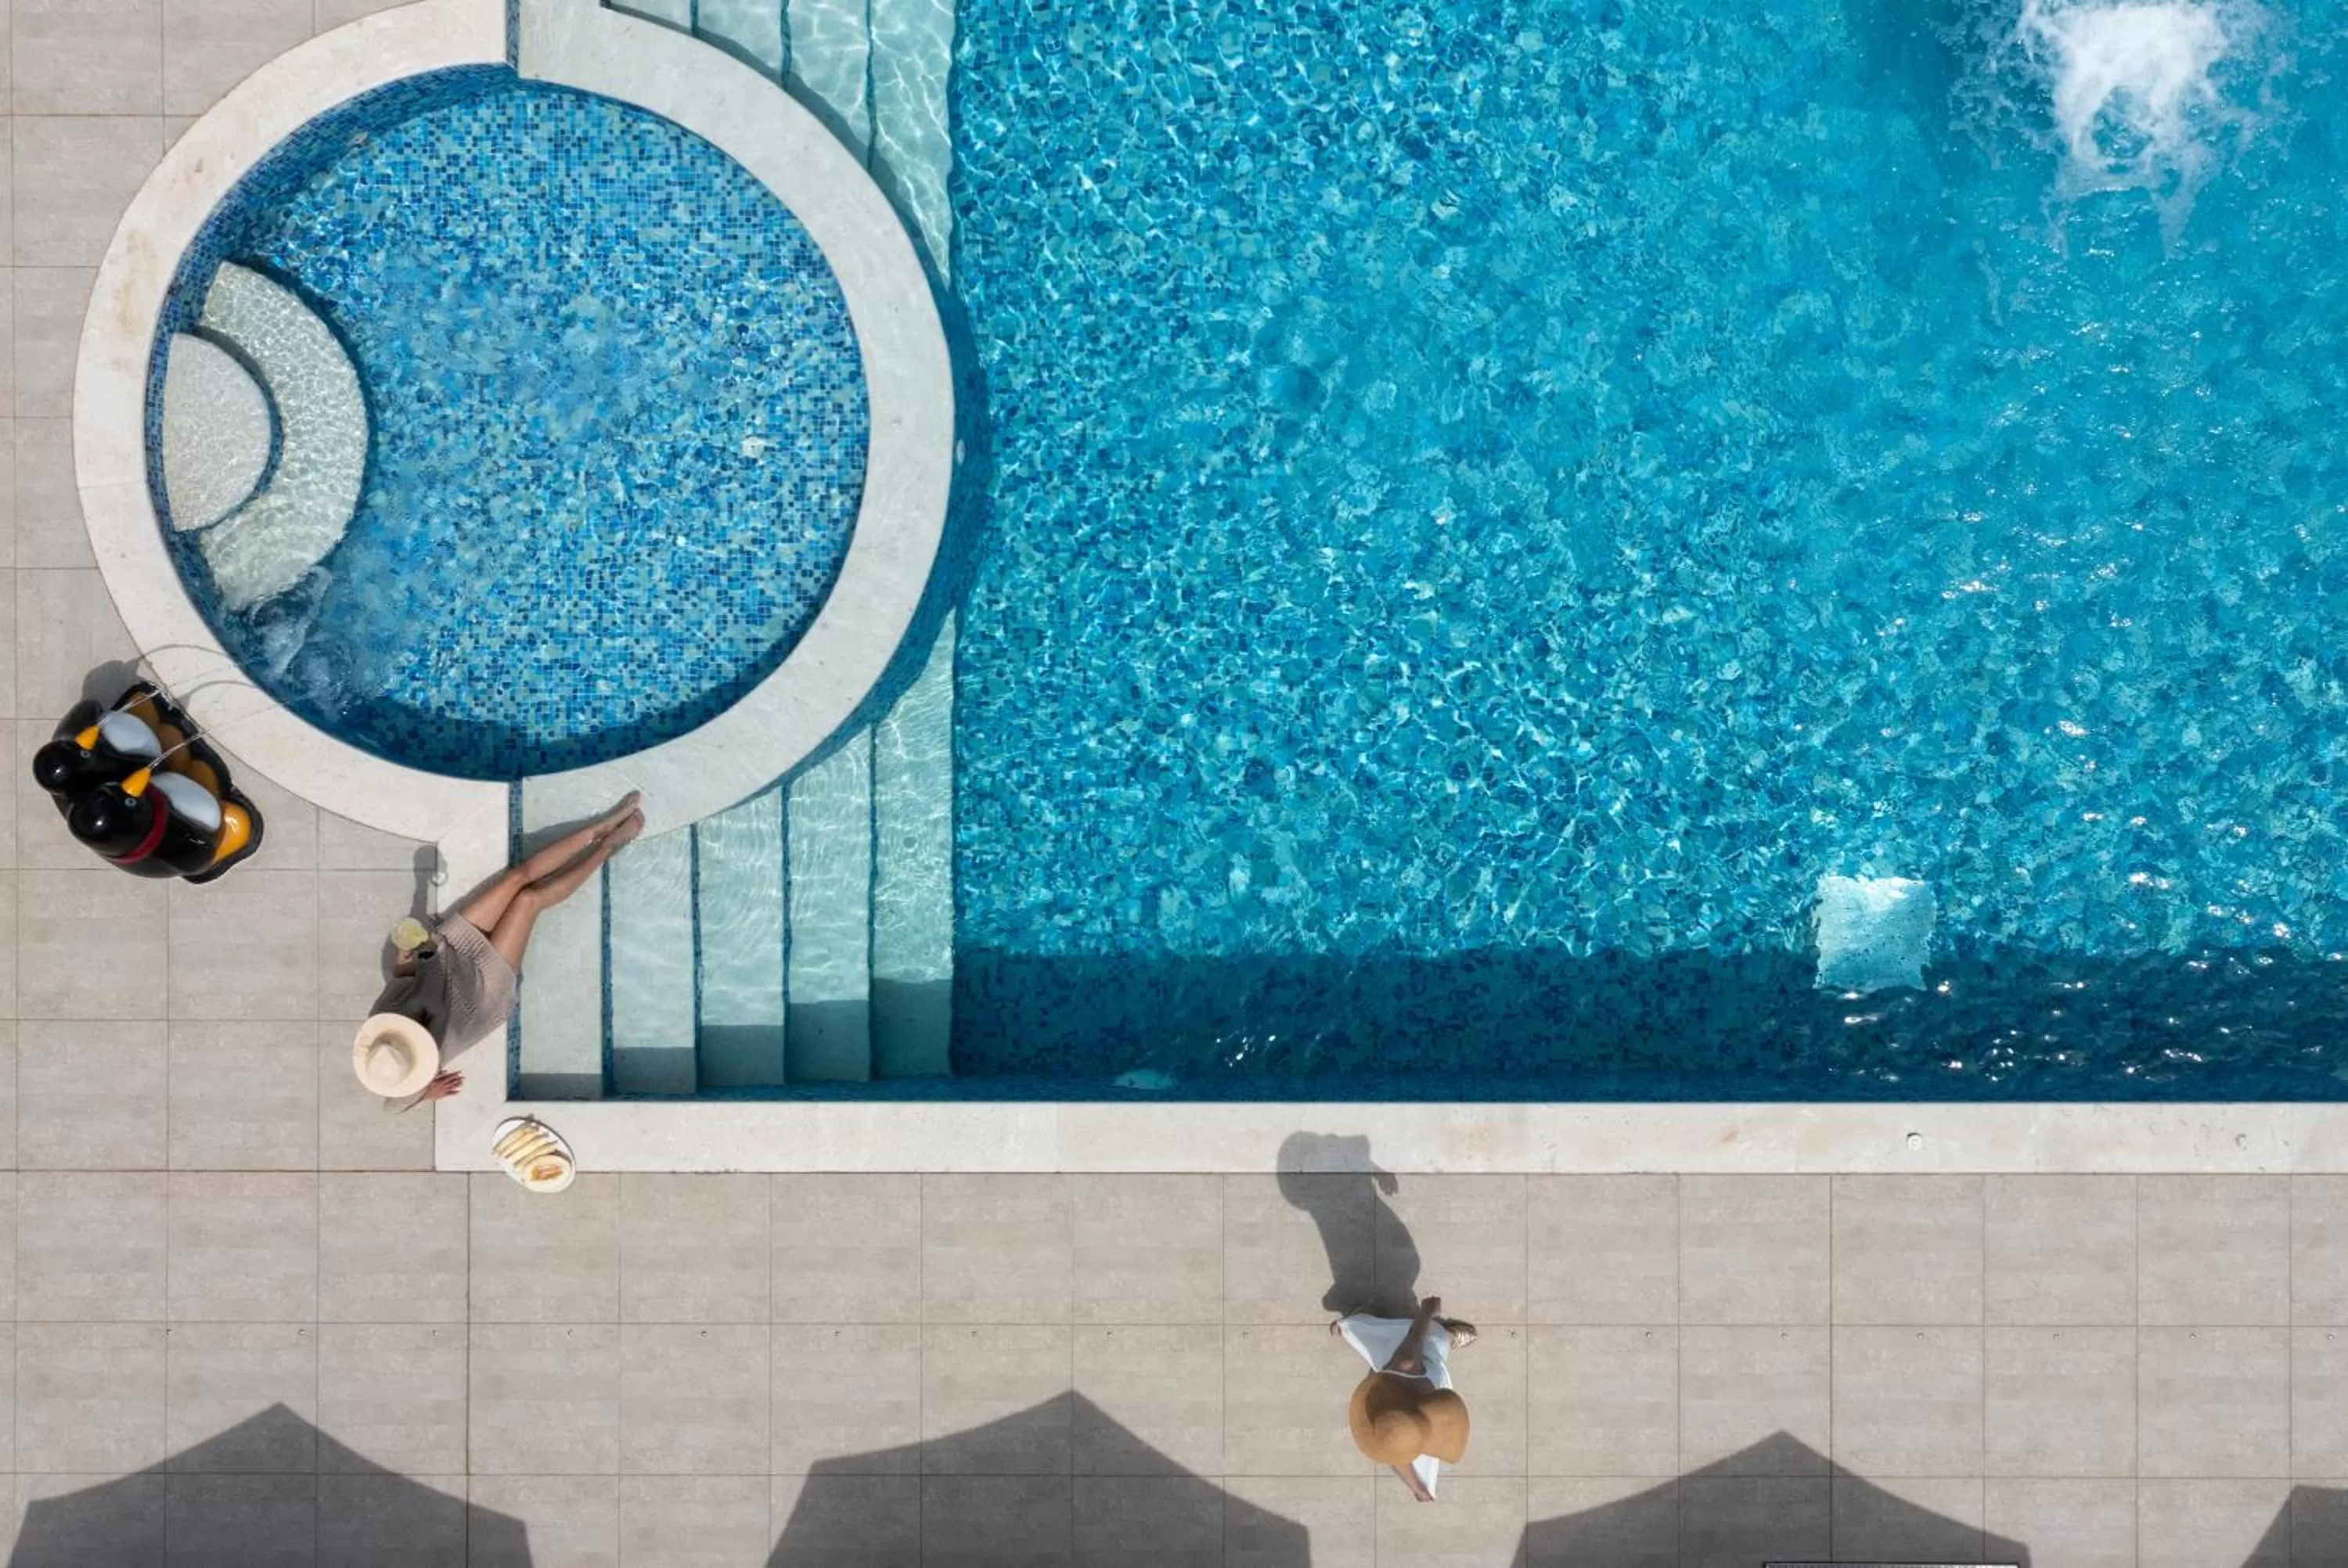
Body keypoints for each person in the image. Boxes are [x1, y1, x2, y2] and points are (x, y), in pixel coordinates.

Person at [357, 792, 644, 1106]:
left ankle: (602, 827)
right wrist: (427, 1092)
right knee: (528, 900)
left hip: (449, 956)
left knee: (516, 878)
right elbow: (394, 1106)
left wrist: (405, 950)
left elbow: (402, 977)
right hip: (482, 995)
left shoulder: (384, 1018)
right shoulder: (420, 1069)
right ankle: (606, 848)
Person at [1334, 1294, 1475, 1501]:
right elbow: (1397, 1444)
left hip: (1405, 1362)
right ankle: (1442, 1334)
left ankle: (1442, 1333)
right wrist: (1418, 1487)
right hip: (1399, 1376)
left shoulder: (1407, 1365)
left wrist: (1428, 1312)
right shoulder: (1392, 1431)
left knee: (1433, 1338)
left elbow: (1416, 1335)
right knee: (1432, 1343)